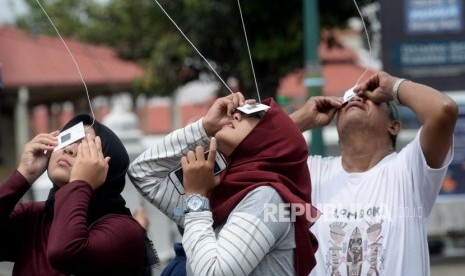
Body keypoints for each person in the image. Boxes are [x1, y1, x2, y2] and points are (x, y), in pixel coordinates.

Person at [128, 93, 318, 275]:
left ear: (271, 141)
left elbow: (214, 272)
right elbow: (143, 173)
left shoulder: (267, 198)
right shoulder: (219, 192)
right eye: (241, 109)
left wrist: (195, 199)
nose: (236, 113)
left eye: (253, 114)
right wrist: (205, 126)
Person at [289, 71, 458, 276]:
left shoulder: (408, 170)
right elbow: (252, 154)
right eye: (348, 99)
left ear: (394, 126)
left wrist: (394, 87)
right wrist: (301, 119)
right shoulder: (313, 173)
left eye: (371, 97)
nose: (357, 97)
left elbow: (443, 110)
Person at [0, 114, 158, 276]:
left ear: (106, 167)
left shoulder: (125, 230)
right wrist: (23, 175)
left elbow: (64, 252)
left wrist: (81, 183)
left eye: (85, 147)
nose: (69, 148)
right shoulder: (35, 215)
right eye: (66, 139)